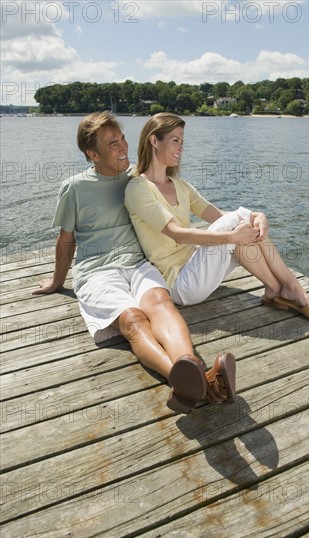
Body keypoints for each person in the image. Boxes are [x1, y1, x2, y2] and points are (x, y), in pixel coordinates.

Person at [32, 111, 236, 415]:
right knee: (134, 321)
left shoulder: (137, 179)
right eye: (112, 144)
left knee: (160, 304)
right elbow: (66, 241)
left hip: (138, 264)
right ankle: (192, 381)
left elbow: (172, 190)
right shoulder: (74, 188)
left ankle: (190, 375)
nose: (123, 147)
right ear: (92, 154)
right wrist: (57, 283)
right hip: (97, 273)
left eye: (123, 139)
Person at [124, 112, 309, 325]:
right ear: (154, 140)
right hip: (181, 285)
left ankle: (275, 289)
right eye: (175, 140)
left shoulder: (180, 185)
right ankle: (295, 289)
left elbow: (220, 216)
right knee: (237, 224)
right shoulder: (138, 188)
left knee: (240, 223)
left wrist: (259, 216)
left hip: (198, 268)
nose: (181, 147)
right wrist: (234, 233)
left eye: (182, 142)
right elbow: (178, 235)